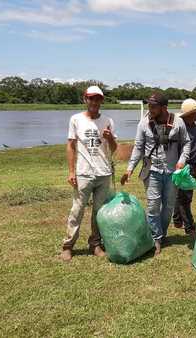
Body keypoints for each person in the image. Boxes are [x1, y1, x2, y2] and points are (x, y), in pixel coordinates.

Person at [121, 93, 191, 255]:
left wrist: (182, 160)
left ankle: (162, 233)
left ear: (164, 108)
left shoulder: (178, 121)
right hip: (151, 170)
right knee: (153, 205)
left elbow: (186, 143)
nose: (149, 109)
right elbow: (138, 147)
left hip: (173, 172)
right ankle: (156, 237)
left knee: (168, 206)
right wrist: (129, 169)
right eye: (148, 105)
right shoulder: (144, 123)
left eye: (153, 106)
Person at [61, 85, 117, 261]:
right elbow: (71, 146)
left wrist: (109, 138)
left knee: (99, 212)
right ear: (85, 99)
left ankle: (95, 244)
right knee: (77, 210)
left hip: (103, 173)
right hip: (83, 174)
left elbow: (114, 149)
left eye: (98, 98)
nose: (94, 102)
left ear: (101, 101)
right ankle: (68, 246)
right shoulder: (76, 119)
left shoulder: (108, 120)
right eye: (91, 98)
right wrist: (71, 171)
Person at [172, 98, 196, 237]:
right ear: (188, 114)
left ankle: (177, 220)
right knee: (185, 197)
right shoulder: (181, 129)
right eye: (195, 112)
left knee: (181, 194)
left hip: (195, 165)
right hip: (185, 166)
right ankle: (189, 226)